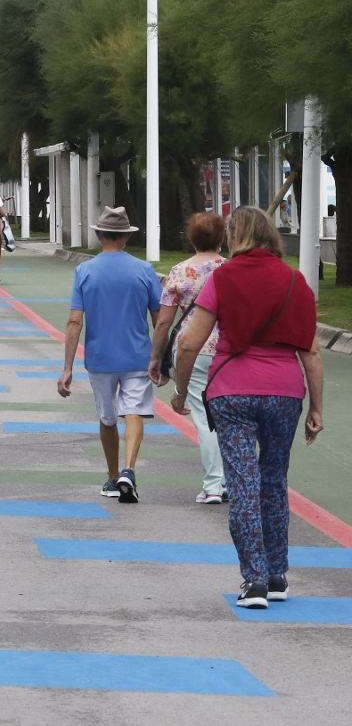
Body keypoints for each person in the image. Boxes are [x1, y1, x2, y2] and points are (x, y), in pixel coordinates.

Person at [172, 206, 322, 610]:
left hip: (232, 393)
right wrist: (317, 407)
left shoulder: (224, 277)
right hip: (285, 393)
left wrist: (181, 391)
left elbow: (189, 342)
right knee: (274, 480)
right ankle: (277, 575)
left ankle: (253, 580)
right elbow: (310, 351)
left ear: (235, 236)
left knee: (243, 484)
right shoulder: (295, 281)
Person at [58, 206, 161, 503]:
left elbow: (75, 321)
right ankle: (130, 468)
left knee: (107, 418)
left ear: (100, 235)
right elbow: (159, 318)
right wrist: (160, 356)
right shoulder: (144, 270)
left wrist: (67, 368)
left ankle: (113, 476)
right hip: (138, 356)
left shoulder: (84, 271)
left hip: (100, 359)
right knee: (135, 411)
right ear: (125, 238)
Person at [148, 212, 227, 504]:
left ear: (191, 239)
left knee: (203, 416)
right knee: (227, 417)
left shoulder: (179, 272)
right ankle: (231, 479)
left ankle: (213, 485)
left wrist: (156, 357)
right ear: (222, 238)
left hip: (192, 351)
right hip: (228, 351)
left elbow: (164, 323)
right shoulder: (230, 269)